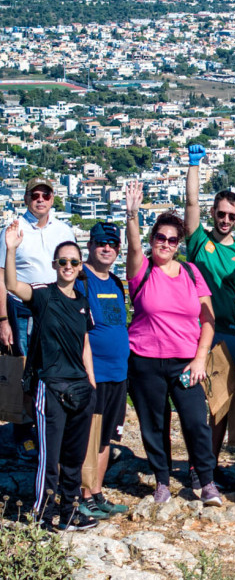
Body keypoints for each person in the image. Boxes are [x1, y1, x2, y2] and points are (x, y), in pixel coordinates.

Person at [124, 181, 222, 507]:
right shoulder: (142, 272)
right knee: (154, 424)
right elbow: (134, 248)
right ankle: (162, 481)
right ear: (153, 240)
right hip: (145, 359)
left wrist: (200, 359)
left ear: (179, 244)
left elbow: (208, 320)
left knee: (195, 420)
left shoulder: (192, 273)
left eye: (172, 239)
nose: (165, 244)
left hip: (185, 361)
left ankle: (207, 481)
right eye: (160, 238)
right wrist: (132, 215)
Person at [6, 226, 97, 530]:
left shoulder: (82, 303)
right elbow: (12, 285)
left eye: (73, 262)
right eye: (62, 262)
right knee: (50, 457)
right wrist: (11, 249)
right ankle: (43, 514)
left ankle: (70, 512)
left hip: (80, 388)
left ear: (80, 266)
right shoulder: (43, 296)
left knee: (73, 456)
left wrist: (91, 383)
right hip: (51, 386)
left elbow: (84, 343)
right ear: (54, 265)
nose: (68, 267)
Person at [184, 144, 235, 468]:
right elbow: (190, 203)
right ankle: (199, 465)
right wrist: (194, 166)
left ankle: (209, 468)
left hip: (228, 332)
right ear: (213, 213)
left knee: (220, 406)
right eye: (221, 213)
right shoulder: (199, 241)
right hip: (193, 331)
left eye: (231, 215)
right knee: (196, 404)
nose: (225, 219)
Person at [0, 176, 76, 460]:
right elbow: (0, 276)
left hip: (55, 311)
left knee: (53, 369)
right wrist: (2, 320)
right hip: (21, 310)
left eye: (45, 194)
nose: (40, 199)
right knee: (24, 372)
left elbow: (72, 268)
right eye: (35, 195)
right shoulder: (13, 229)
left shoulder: (63, 229)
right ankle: (23, 432)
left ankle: (51, 426)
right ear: (27, 198)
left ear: (53, 198)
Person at [76, 222, 130, 520]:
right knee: (89, 435)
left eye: (112, 243)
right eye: (101, 242)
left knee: (107, 436)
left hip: (118, 373)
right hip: (92, 373)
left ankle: (97, 492)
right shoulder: (81, 279)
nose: (107, 248)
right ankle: (83, 494)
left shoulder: (116, 283)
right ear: (90, 245)